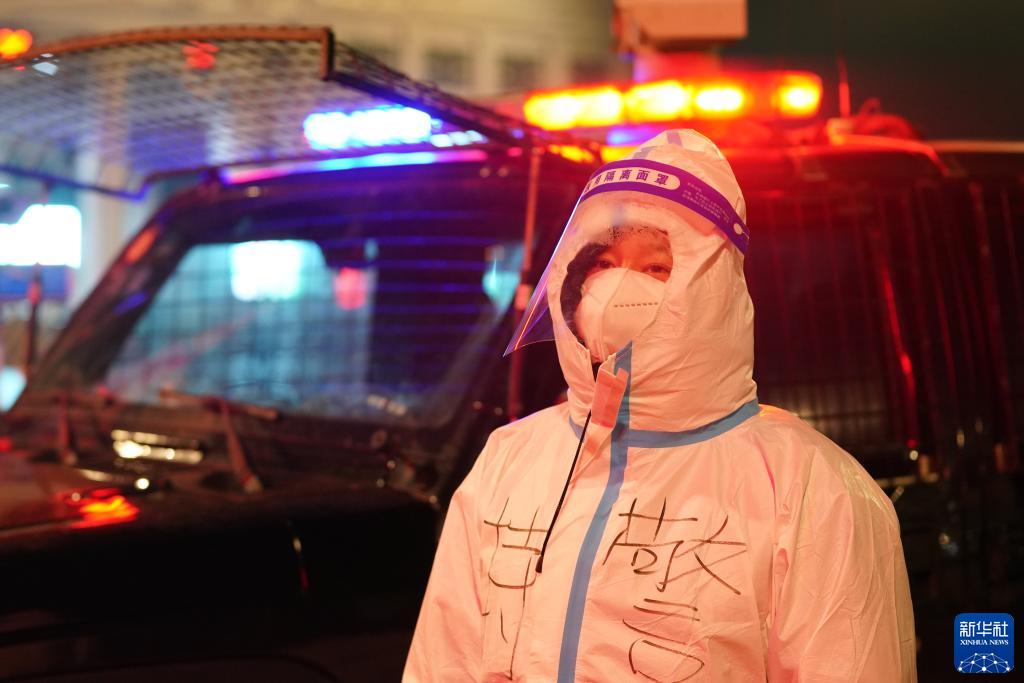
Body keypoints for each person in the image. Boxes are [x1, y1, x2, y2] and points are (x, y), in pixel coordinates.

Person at [404, 130, 917, 682]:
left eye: (657, 268)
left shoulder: (808, 486)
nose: (618, 286)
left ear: (711, 289)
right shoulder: (510, 457)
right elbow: (444, 660)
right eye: (603, 262)